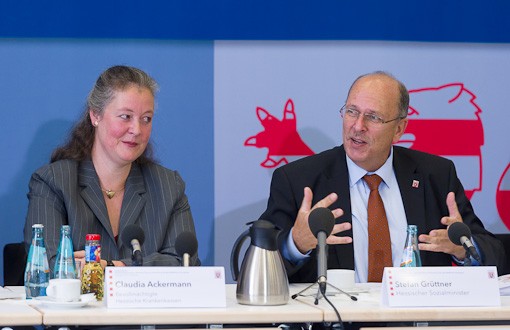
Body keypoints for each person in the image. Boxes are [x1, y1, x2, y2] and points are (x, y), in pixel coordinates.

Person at [260, 71, 505, 283]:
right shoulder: (299, 179)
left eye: (373, 117)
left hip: (416, 321)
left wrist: (463, 250)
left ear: (399, 129)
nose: (358, 126)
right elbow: (257, 264)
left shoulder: (436, 176)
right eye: (351, 112)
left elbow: (496, 256)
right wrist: (295, 244)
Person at [24, 65, 200, 270]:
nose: (136, 130)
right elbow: (49, 265)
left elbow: (185, 263)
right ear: (95, 116)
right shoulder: (53, 182)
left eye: (146, 119)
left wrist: (112, 267)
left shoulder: (169, 186)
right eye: (126, 116)